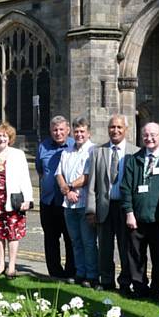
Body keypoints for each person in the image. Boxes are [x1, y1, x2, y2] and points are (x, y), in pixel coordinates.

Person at [85, 114, 139, 294]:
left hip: (125, 208)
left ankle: (125, 282)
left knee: (126, 248)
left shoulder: (135, 152)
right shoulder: (98, 152)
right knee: (105, 248)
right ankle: (106, 280)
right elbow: (92, 184)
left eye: (119, 127)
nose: (115, 130)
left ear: (126, 129)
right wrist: (91, 210)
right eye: (112, 127)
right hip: (104, 207)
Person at [121, 122, 159, 300]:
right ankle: (139, 287)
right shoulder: (134, 159)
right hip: (136, 217)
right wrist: (129, 212)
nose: (149, 138)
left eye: (153, 135)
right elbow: (125, 188)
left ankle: (157, 290)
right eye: (145, 135)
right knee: (136, 256)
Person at [0, 122, 33, 279]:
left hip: (12, 200)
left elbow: (25, 177)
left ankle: (11, 265)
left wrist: (29, 199)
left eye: (5, 136)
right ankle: (0, 264)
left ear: (10, 138)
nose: (1, 138)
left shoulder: (18, 154)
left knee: (12, 233)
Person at [55, 116, 98, 287]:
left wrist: (70, 187)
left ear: (88, 133)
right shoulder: (67, 151)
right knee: (76, 241)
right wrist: (66, 190)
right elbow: (58, 173)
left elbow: (88, 176)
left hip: (85, 203)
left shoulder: (93, 150)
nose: (79, 134)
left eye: (82, 131)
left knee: (88, 241)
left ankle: (92, 275)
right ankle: (80, 273)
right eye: (77, 131)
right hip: (69, 203)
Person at [35, 115, 76, 279]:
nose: (58, 133)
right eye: (55, 130)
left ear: (68, 130)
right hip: (47, 201)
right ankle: (55, 273)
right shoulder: (43, 146)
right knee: (51, 239)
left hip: (68, 201)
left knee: (70, 238)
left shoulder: (74, 145)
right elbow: (40, 169)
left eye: (61, 129)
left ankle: (71, 272)